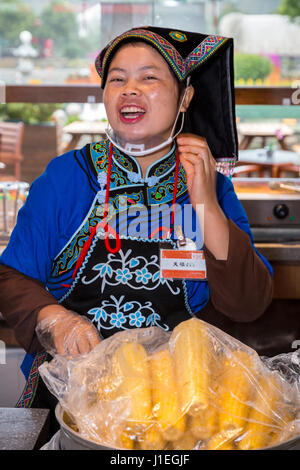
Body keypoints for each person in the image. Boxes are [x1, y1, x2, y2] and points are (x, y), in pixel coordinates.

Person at [0, 27, 273, 418]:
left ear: (185, 98)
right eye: (117, 80)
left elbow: (249, 303)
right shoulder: (67, 177)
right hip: (71, 396)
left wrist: (206, 205)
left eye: (149, 77)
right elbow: (11, 277)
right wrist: (56, 321)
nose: (130, 89)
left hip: (179, 401)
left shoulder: (212, 184)